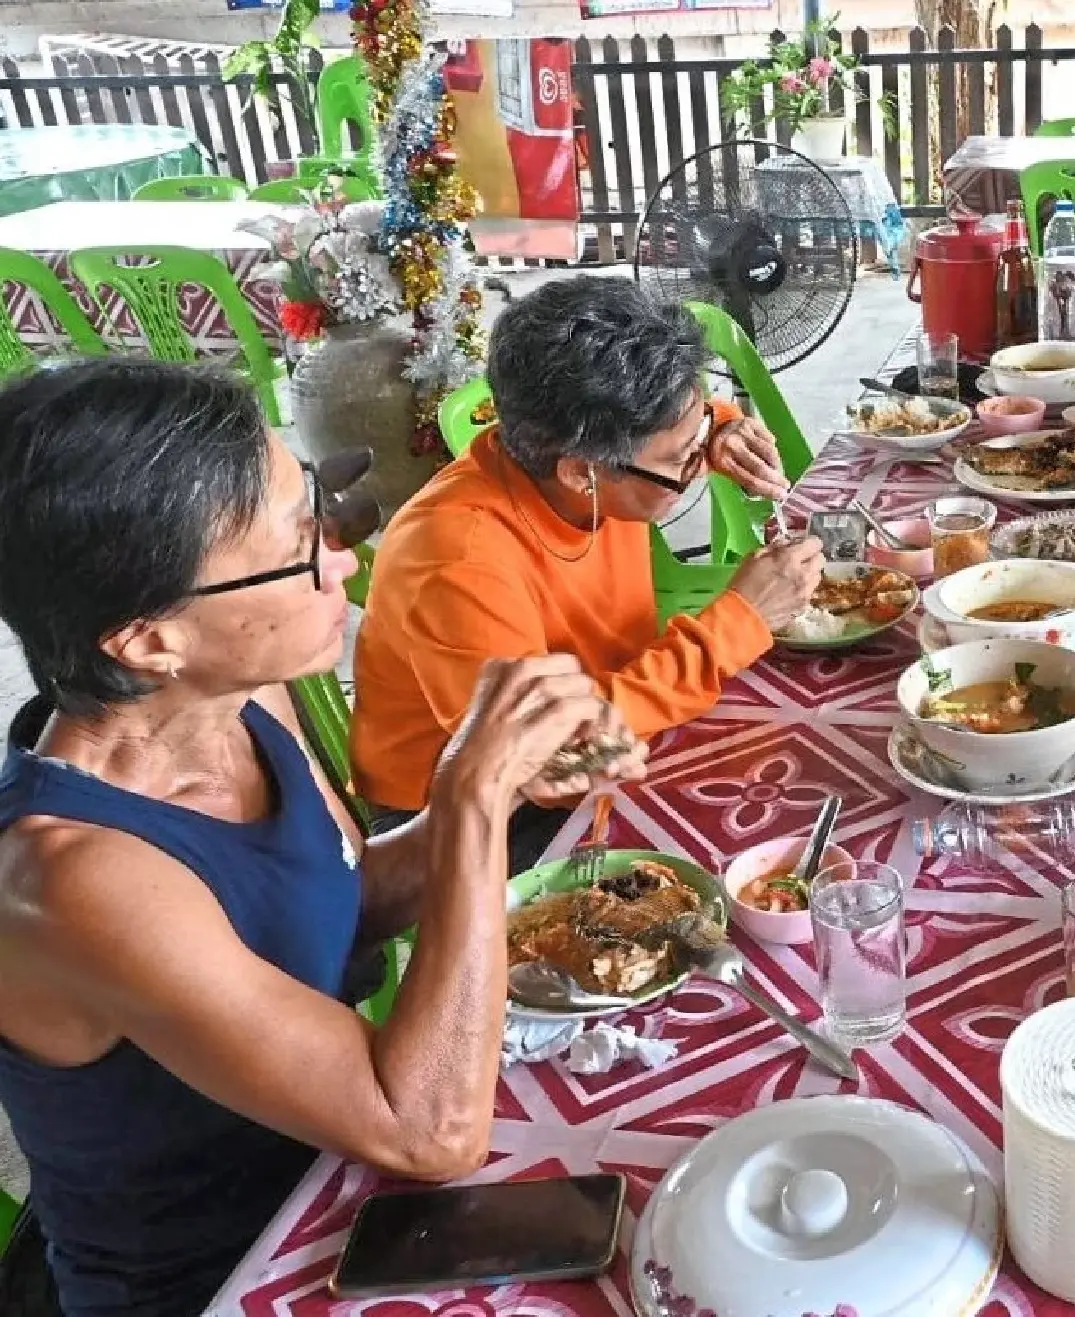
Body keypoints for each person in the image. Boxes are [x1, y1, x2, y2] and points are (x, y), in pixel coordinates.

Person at [0, 359, 646, 1317]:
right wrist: (466, 797)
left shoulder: (241, 694)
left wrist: (504, 791)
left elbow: (340, 897)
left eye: (320, 513)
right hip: (229, 1271)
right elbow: (428, 1128)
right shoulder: (73, 879)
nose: (340, 560)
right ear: (147, 641)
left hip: (357, 1184)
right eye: (298, 547)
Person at [352, 276, 825, 870]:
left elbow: (660, 435)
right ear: (584, 474)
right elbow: (558, 762)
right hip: (480, 818)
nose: (696, 465)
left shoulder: (590, 462)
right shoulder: (455, 560)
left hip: (612, 712)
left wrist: (721, 427)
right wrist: (738, 622)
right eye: (683, 458)